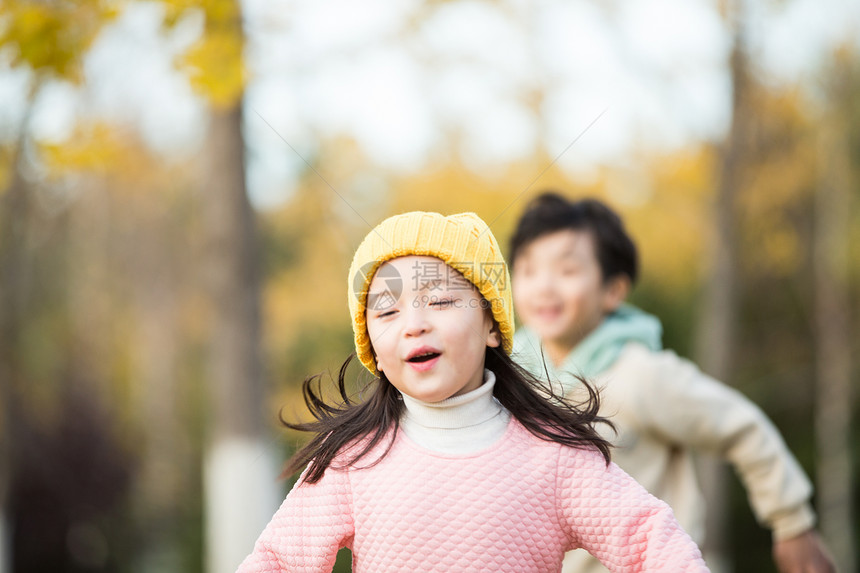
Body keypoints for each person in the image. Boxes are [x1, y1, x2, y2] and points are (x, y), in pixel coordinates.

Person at [236, 211, 708, 572]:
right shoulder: (352, 459)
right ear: (373, 351)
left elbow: (652, 540)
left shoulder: (553, 455)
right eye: (386, 312)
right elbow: (277, 560)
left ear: (491, 326)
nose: (415, 324)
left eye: (440, 301)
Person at [509, 192, 835, 573]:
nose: (543, 287)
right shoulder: (511, 380)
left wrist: (793, 525)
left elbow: (744, 428)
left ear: (613, 290)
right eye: (528, 270)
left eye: (566, 271)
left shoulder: (645, 376)